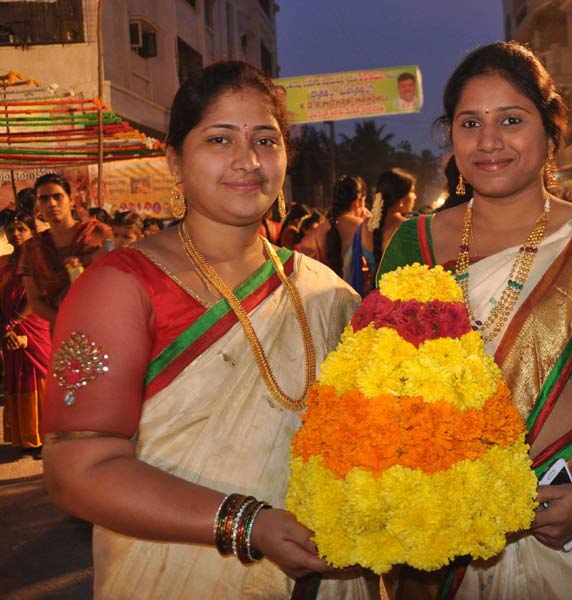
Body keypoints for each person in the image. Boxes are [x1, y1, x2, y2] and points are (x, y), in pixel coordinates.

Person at [40, 61, 376, 599]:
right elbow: (77, 469)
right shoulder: (122, 287)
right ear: (175, 159)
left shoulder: (325, 292)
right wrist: (248, 524)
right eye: (220, 138)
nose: (248, 160)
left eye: (265, 140)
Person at [377, 41, 572, 600]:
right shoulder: (412, 241)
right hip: (443, 527)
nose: (489, 141)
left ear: (550, 132)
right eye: (471, 123)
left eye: (511, 120)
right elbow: (382, 389)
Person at [18, 174, 112, 328]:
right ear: (37, 206)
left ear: (71, 201)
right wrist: (66, 321)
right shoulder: (32, 247)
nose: (52, 203)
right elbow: (35, 301)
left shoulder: (97, 233)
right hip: (62, 329)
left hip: (105, 322)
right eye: (44, 199)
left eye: (57, 196)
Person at [0, 211, 50, 459]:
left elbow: (37, 295)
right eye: (11, 229)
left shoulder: (40, 261)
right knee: (17, 375)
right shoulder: (3, 264)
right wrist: (5, 329)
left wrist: (15, 321)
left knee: (38, 375)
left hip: (35, 327)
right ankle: (26, 436)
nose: (16, 233)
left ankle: (46, 436)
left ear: (33, 233)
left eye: (21, 228)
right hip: (9, 329)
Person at [302, 174, 374, 296]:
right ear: (358, 200)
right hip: (355, 300)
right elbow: (375, 265)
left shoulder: (318, 230)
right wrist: (371, 222)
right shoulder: (361, 227)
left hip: (324, 300)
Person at [366, 168, 415, 268]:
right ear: (401, 199)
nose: (415, 196)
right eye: (412, 191)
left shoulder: (364, 227)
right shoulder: (411, 228)